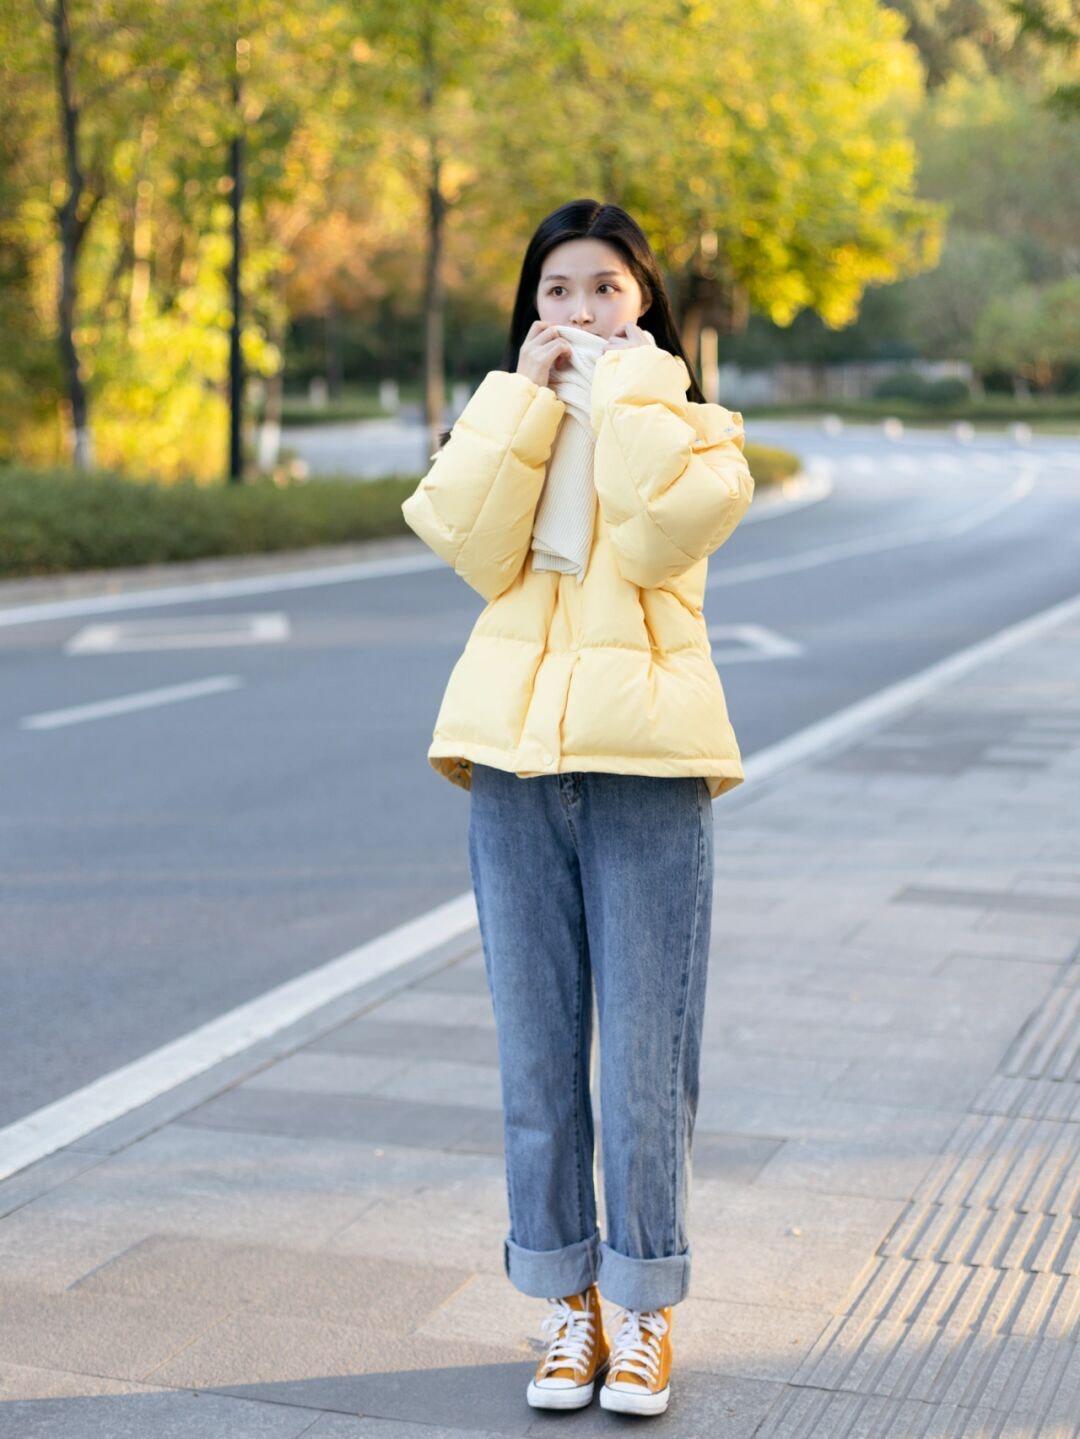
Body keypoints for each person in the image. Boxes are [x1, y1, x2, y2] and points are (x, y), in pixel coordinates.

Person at [401, 198, 755, 1417]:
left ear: (644, 299)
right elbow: (466, 539)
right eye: (558, 291)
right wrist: (524, 402)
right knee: (536, 1053)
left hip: (647, 768)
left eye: (606, 288)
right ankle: (567, 1306)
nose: (582, 312)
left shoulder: (699, 430)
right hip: (511, 763)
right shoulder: (507, 422)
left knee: (644, 1059)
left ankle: (645, 1310)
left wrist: (628, 396)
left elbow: (660, 539)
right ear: (531, 306)